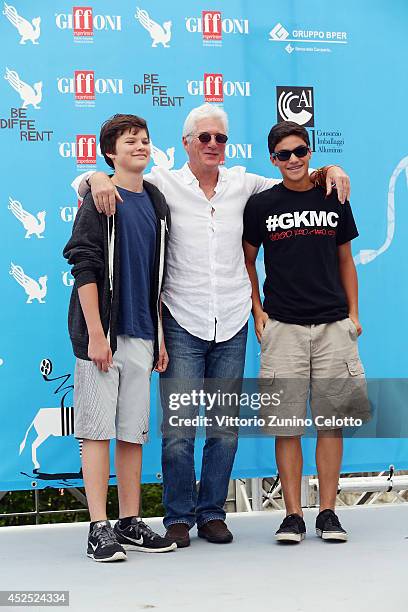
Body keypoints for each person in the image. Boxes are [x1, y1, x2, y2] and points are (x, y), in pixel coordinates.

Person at [72, 104, 351, 548]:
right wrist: (97, 178)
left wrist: (329, 168)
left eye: (220, 138)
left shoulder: (247, 184)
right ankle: (178, 517)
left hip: (234, 320)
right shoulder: (161, 184)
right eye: (204, 138)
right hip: (181, 319)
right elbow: (89, 183)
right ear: (186, 143)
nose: (213, 145)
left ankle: (213, 514)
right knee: (179, 429)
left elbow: (296, 179)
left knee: (223, 428)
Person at [243, 120, 369, 543]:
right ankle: (293, 515)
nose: (293, 160)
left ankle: (329, 512)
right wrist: (257, 310)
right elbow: (246, 262)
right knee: (286, 425)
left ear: (310, 152)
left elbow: (346, 260)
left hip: (334, 325)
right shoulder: (261, 205)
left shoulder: (334, 197)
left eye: (299, 151)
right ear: (272, 159)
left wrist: (353, 314)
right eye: (283, 155)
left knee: (332, 424)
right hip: (283, 328)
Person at [63, 114, 176, 561]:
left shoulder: (156, 200)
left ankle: (130, 521)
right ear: (110, 152)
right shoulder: (98, 196)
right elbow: (84, 264)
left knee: (133, 433)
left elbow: (159, 276)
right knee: (95, 431)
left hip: (144, 335)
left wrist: (161, 336)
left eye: (146, 140)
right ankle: (98, 527)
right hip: (102, 338)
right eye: (131, 141)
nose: (141, 146)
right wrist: (95, 334)